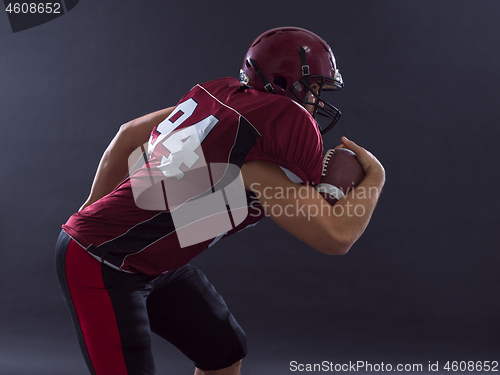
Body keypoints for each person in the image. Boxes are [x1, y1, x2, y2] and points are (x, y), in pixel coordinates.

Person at [55, 27, 385, 375]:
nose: (317, 101)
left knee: (224, 352)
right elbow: (336, 237)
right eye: (314, 88)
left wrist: (93, 207)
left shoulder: (223, 103)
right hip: (102, 262)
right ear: (284, 82)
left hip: (148, 259)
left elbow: (128, 134)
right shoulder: (259, 160)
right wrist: (376, 178)